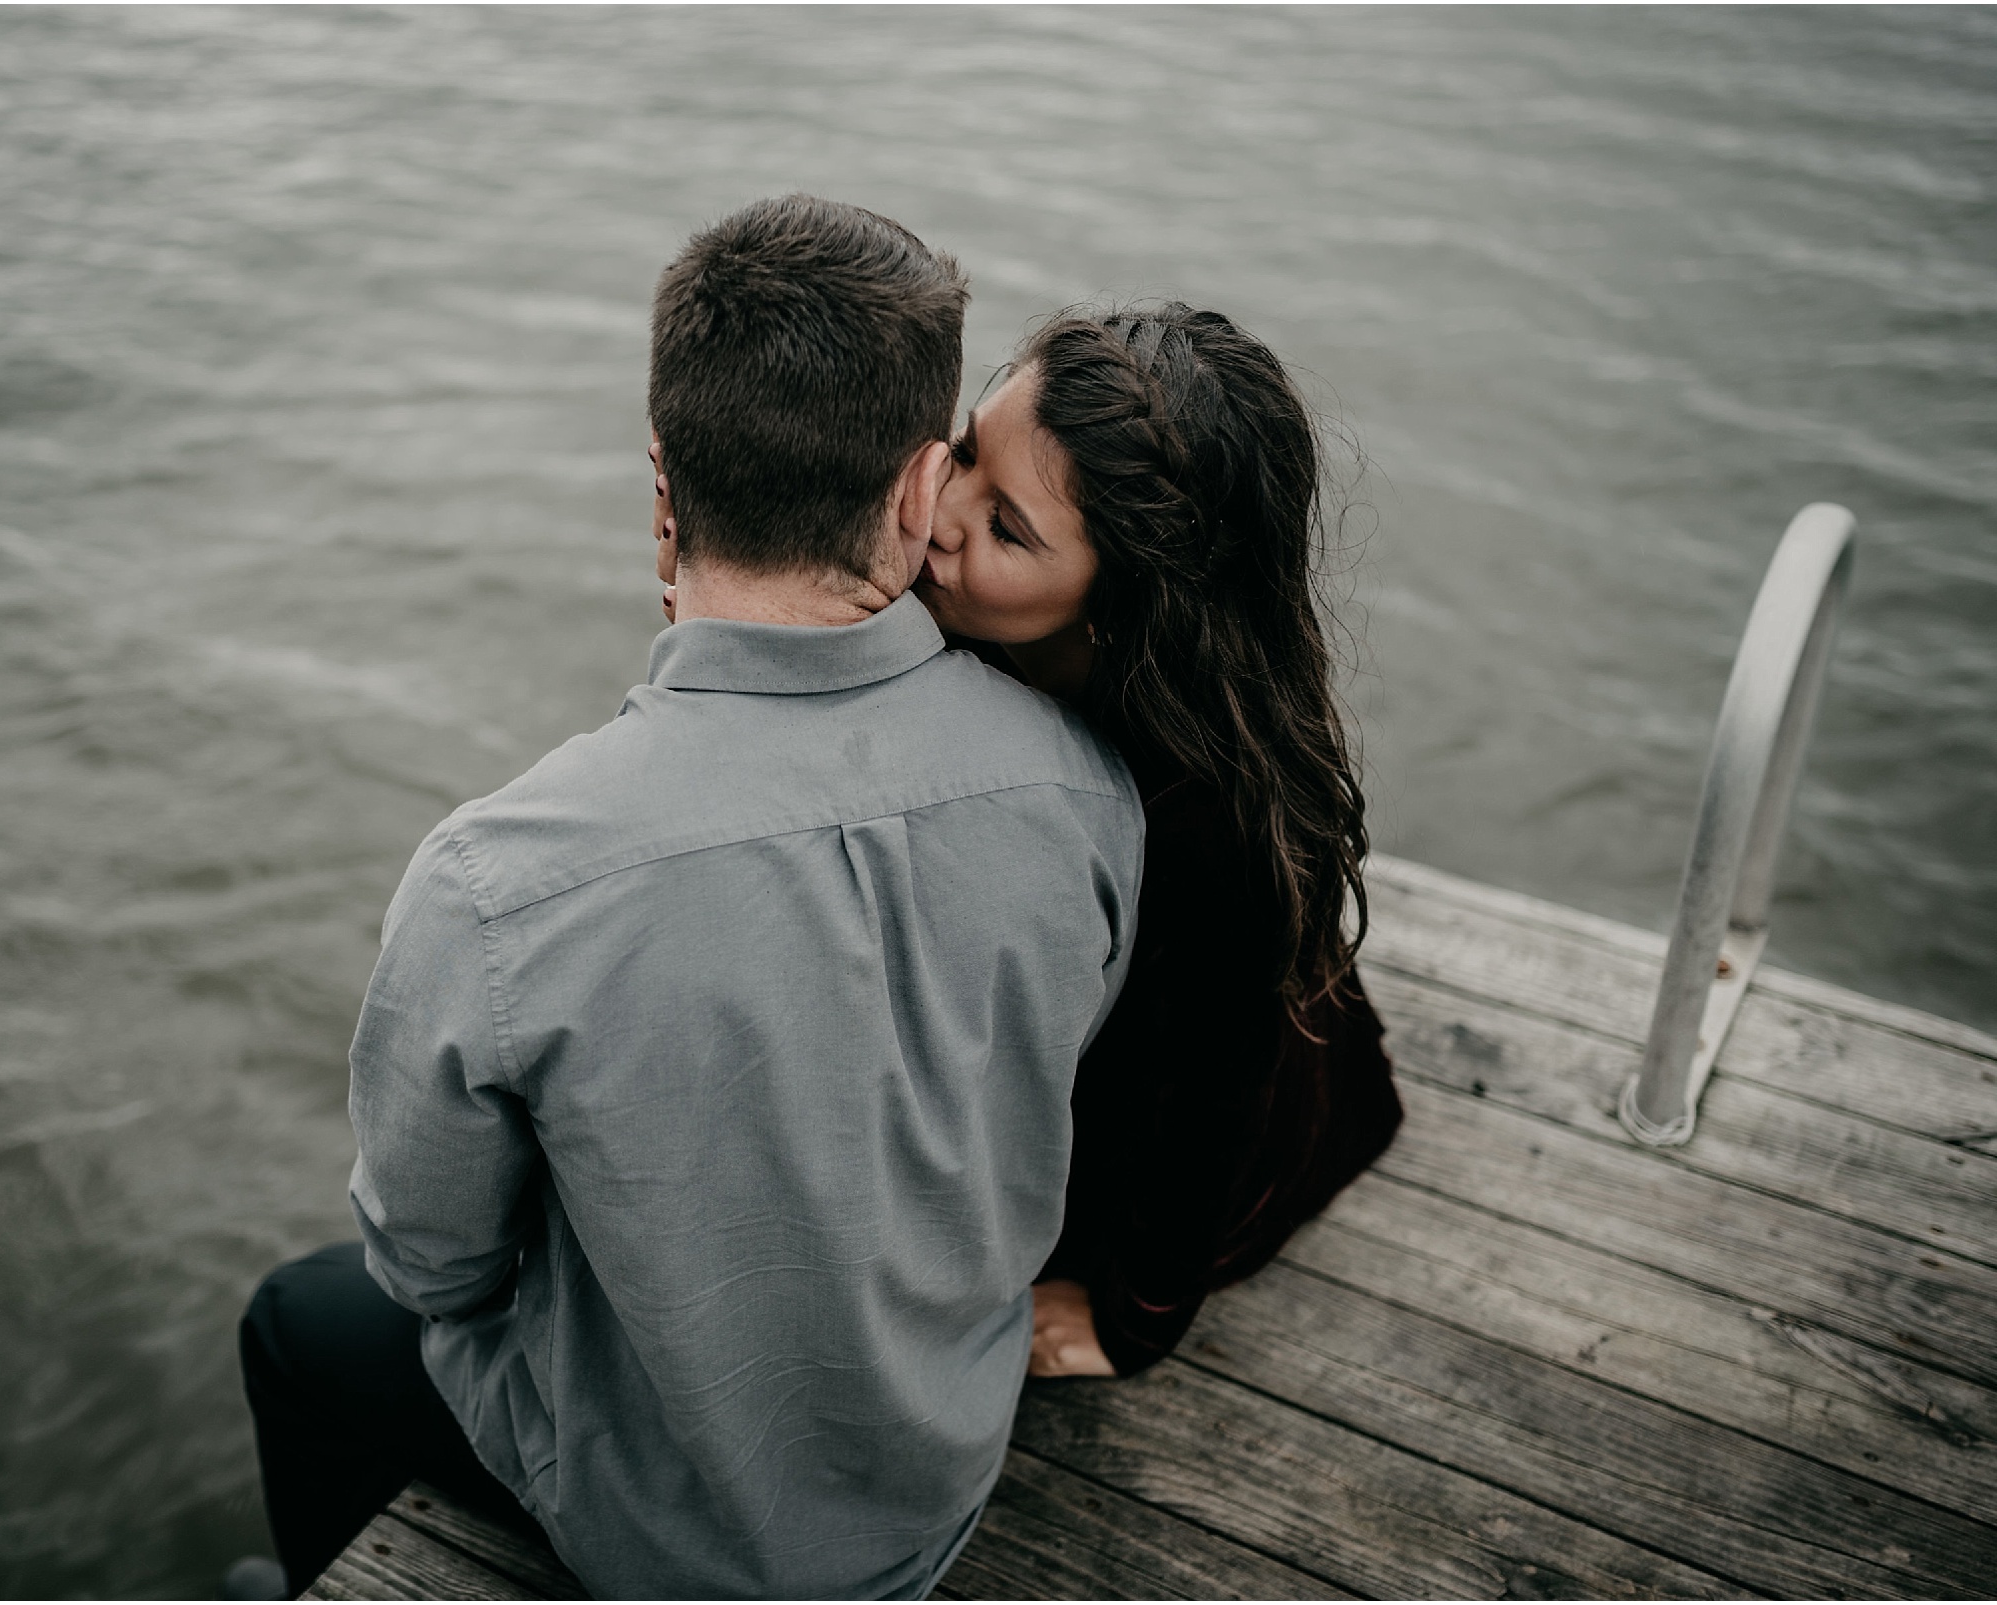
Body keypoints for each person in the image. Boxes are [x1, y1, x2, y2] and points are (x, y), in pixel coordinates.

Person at [237, 196, 1145, 1600]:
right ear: (920, 490)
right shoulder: (1088, 793)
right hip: (938, 1486)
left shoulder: (499, 884)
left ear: (663, 487)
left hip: (674, 1544)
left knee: (297, 1324)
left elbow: (432, 1265)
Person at [905, 302, 1404, 1380]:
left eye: (1007, 529)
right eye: (965, 452)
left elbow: (1211, 1102)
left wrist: (1133, 1316)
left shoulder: (1209, 818)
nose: (943, 513)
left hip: (1169, 1081)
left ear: (1127, 602)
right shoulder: (945, 589)